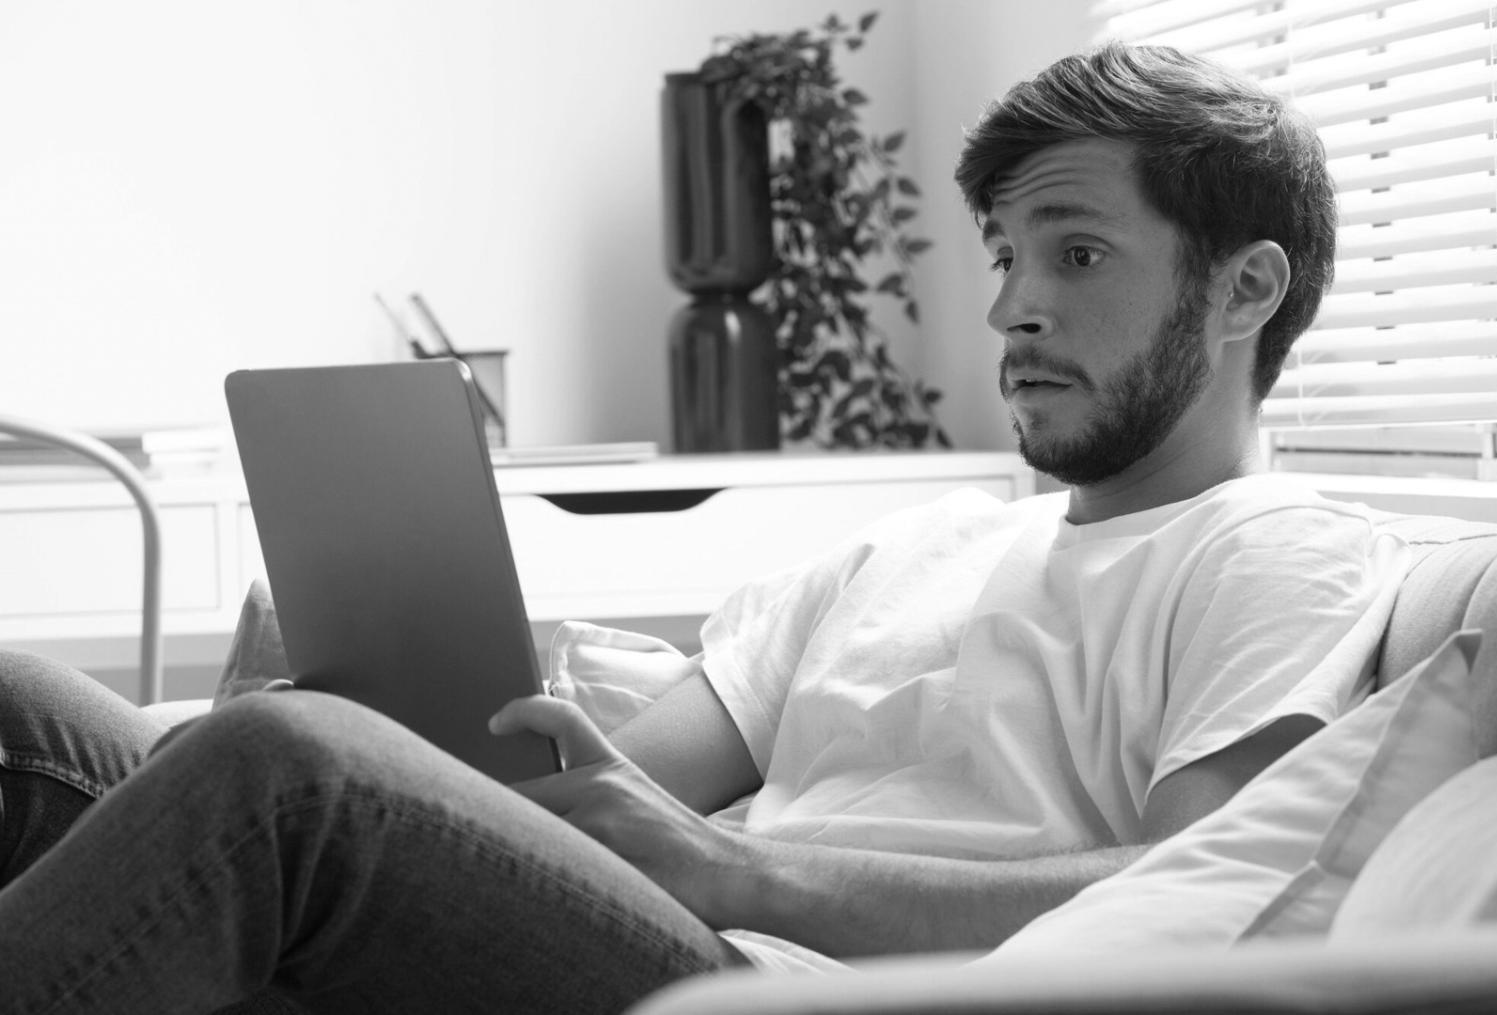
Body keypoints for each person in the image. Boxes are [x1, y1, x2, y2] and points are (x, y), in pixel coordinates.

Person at [0, 42, 1408, 1014]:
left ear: (1245, 290)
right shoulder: (913, 548)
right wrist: (385, 709)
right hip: (646, 928)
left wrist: (737, 870)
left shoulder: (1278, 548)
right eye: (1006, 259)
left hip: (772, 988)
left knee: (288, 772)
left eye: (1077, 253)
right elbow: (591, 785)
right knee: (35, 709)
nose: (1010, 310)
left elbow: (1190, 883)